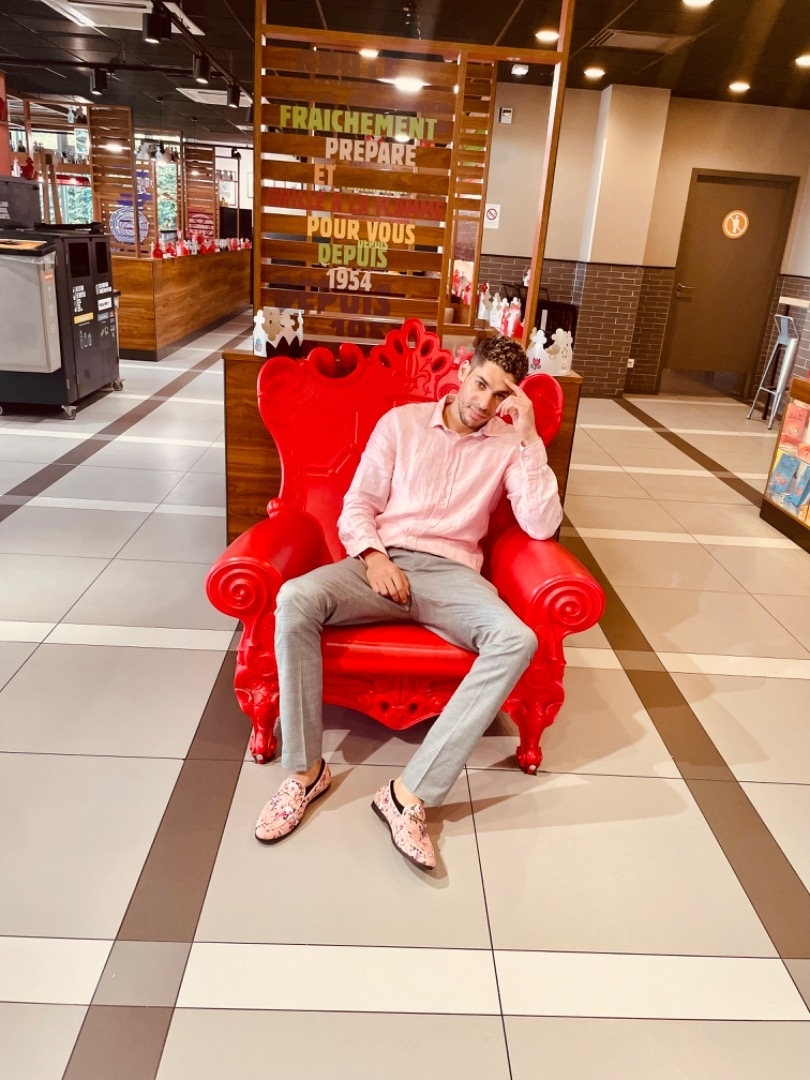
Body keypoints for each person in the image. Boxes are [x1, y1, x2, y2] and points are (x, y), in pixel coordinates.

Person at [254, 335, 563, 870]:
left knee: (517, 639)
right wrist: (375, 558)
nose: (484, 403)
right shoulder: (402, 424)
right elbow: (358, 504)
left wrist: (529, 438)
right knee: (296, 597)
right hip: (383, 561)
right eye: (480, 384)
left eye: (500, 395)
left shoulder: (509, 443)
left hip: (452, 575)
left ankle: (407, 795)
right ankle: (305, 773)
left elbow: (541, 524)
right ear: (463, 372)